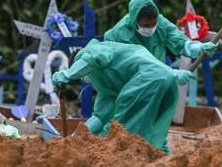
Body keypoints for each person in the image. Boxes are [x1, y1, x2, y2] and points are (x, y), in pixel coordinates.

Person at [52, 39, 194, 153]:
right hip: (166, 80)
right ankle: (162, 158)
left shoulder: (93, 50)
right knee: (155, 132)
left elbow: (93, 58)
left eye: (82, 75)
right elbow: (99, 118)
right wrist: (74, 139)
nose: (84, 79)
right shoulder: (108, 85)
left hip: (148, 80)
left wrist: (68, 74)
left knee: (118, 132)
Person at [104, 0, 218, 62]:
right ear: (135, 21)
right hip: (126, 84)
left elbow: (179, 41)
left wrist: (197, 47)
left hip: (156, 79)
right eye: (145, 25)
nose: (151, 28)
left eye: (154, 23)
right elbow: (109, 57)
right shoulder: (118, 33)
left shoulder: (162, 24)